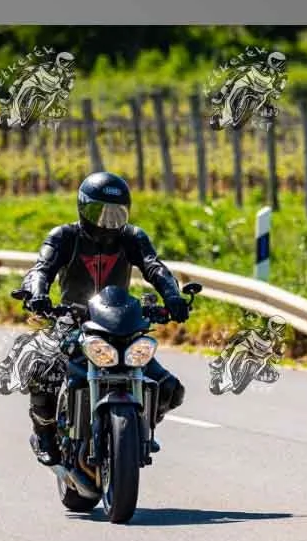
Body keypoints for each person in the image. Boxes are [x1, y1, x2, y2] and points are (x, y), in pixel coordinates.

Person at [12, 171, 190, 467]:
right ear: (83, 208)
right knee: (42, 372)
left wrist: (172, 297)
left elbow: (154, 267)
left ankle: (139, 426)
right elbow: (40, 269)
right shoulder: (64, 237)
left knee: (170, 389)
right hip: (71, 322)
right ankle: (44, 434)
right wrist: (37, 293)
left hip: (118, 323)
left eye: (115, 214)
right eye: (100, 213)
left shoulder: (133, 237)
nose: (107, 222)